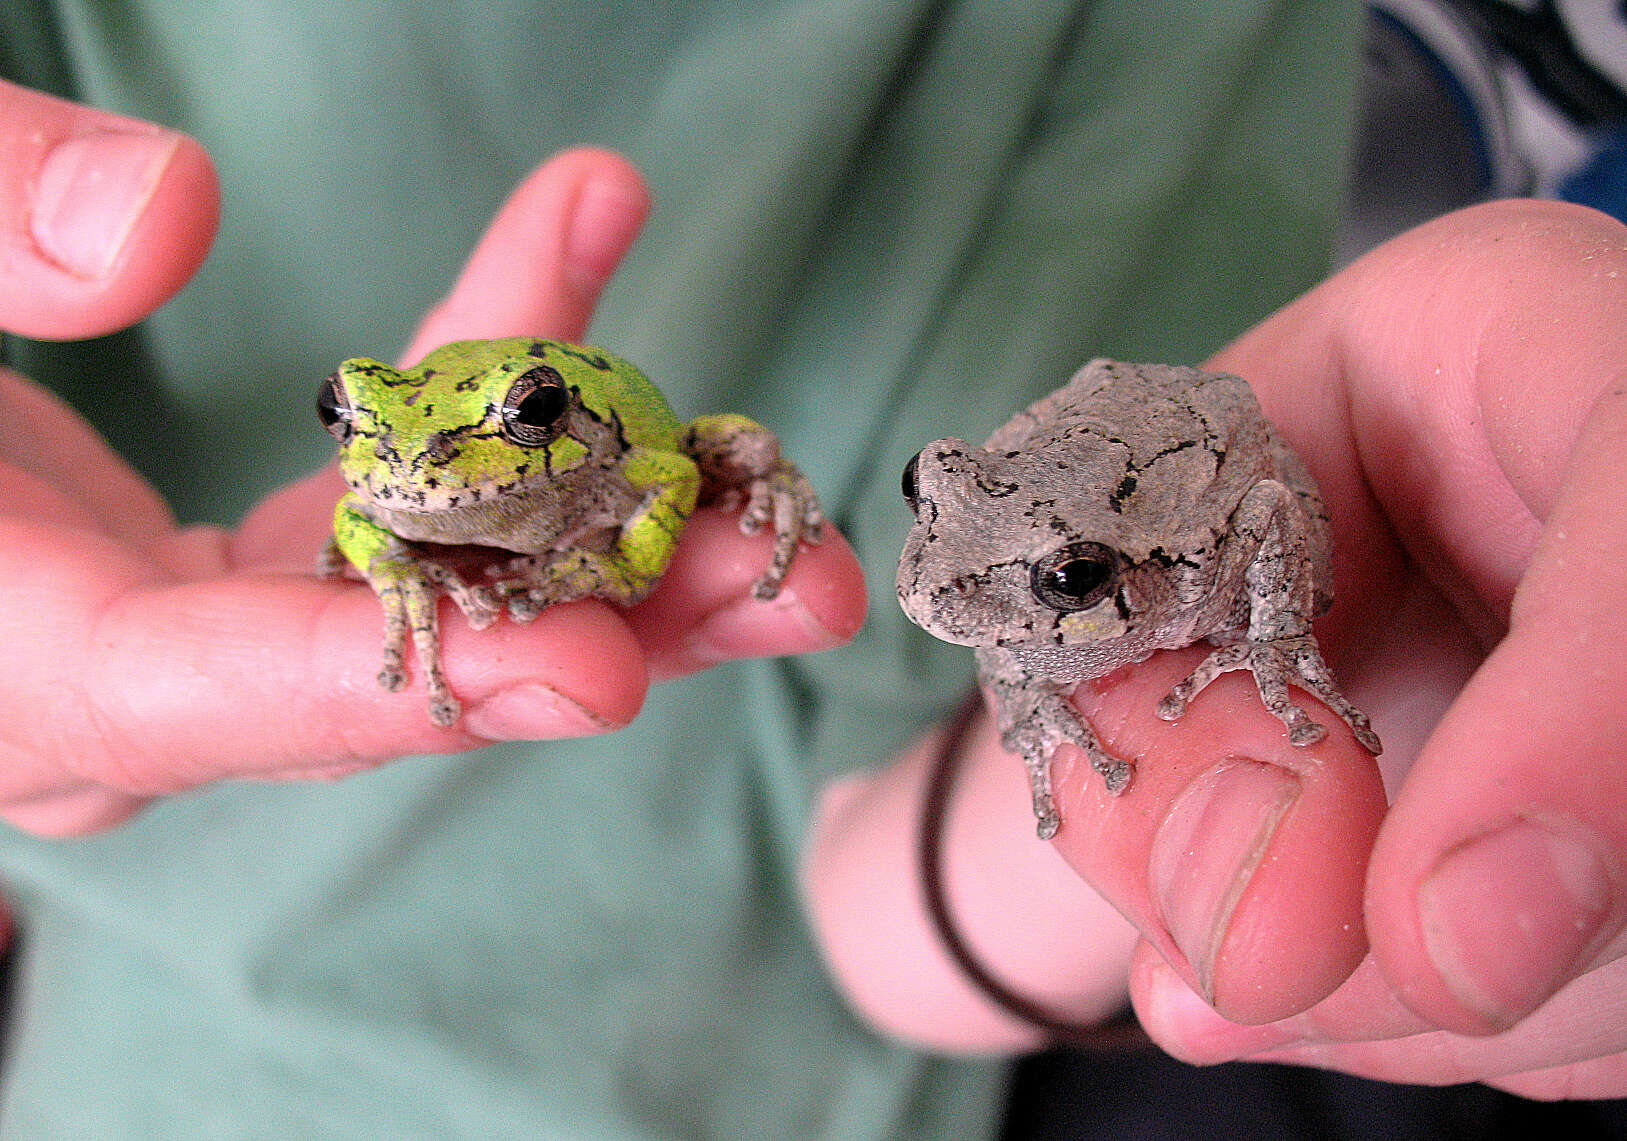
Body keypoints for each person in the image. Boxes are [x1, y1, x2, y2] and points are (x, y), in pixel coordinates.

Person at [0, 2, 1620, 1138]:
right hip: (105, 1049)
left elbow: (700, 546)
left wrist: (1204, 798)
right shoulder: (383, 475)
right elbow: (370, 511)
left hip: (793, 1058)